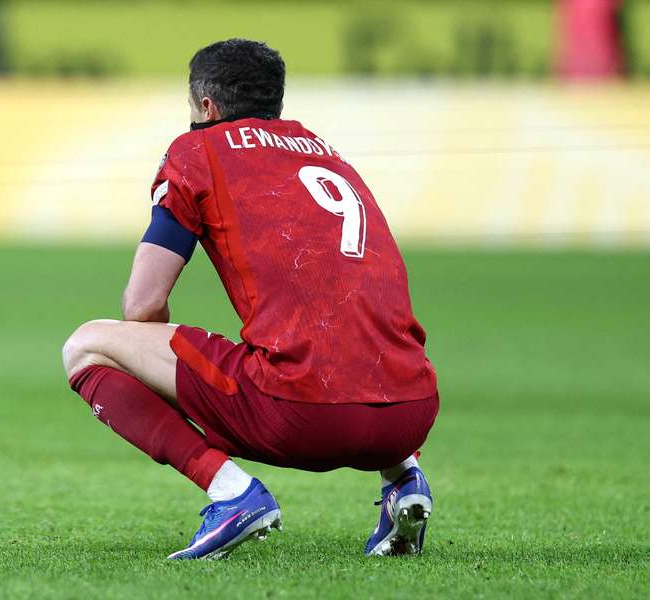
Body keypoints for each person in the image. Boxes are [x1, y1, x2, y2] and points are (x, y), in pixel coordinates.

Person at [62, 39, 439, 560]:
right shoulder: (329, 153)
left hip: (305, 413)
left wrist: (174, 377)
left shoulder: (197, 151)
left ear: (206, 106)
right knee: (355, 336)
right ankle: (406, 482)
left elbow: (143, 306)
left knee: (86, 346)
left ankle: (231, 493)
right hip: (410, 414)